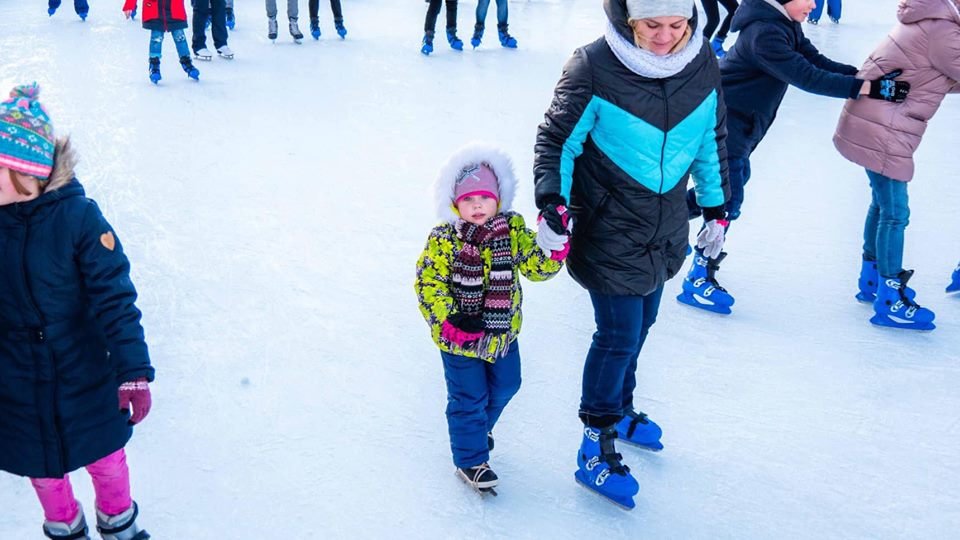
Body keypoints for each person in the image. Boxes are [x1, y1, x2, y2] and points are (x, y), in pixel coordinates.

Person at [534, 0, 729, 508]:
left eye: (676, 24)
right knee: (618, 335)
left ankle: (620, 408)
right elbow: (558, 140)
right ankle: (594, 443)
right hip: (608, 224)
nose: (665, 36)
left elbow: (711, 135)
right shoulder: (593, 64)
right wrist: (552, 205)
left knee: (642, 325)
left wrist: (716, 207)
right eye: (651, 25)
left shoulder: (702, 61)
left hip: (664, 226)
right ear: (628, 20)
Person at [681, 0, 911, 315]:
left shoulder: (783, 23)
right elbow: (808, 77)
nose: (814, 5)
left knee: (724, 191)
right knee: (727, 199)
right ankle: (698, 274)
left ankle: (658, 219)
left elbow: (815, 61)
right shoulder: (764, 33)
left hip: (741, 124)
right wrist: (871, 88)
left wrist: (863, 76)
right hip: (723, 125)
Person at [0, 83, 154, 540]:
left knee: (106, 460)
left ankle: (118, 522)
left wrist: (132, 370)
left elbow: (114, 297)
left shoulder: (79, 219)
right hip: (17, 379)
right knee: (43, 470)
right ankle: (65, 527)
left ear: (26, 173)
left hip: (85, 372)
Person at [415, 143, 566, 493]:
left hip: (502, 335)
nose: (477, 205)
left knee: (507, 385)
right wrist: (449, 320)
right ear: (454, 204)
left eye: (484, 197)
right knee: (468, 398)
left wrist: (553, 244)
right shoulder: (444, 240)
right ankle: (471, 460)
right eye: (468, 199)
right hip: (458, 338)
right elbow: (428, 283)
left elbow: (536, 267)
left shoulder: (511, 231)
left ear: (499, 198)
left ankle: (480, 429)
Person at [834, 0, 960, 330]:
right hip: (884, 126)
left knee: (882, 203)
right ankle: (890, 297)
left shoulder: (934, 18)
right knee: (895, 212)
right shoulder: (944, 29)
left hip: (876, 119)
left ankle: (872, 279)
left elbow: (945, 74)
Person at [123, 0, 200, 84]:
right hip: (155, 11)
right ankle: (154, 65)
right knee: (156, 39)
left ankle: (186, 62)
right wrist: (129, 5)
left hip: (174, 9)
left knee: (180, 37)